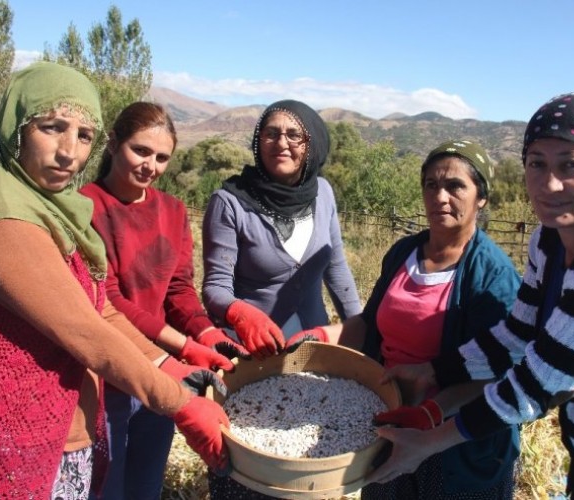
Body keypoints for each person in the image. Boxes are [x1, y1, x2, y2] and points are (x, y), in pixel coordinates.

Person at [0, 62, 230, 499]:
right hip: (1, 439)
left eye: (83, 135)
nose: (69, 152)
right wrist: (181, 403)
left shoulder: (56, 210)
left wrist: (172, 363)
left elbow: (98, 307)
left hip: (59, 427)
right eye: (52, 128)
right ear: (16, 126)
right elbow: (83, 330)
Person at [368, 93, 574, 499]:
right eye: (537, 163)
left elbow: (537, 384)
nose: (549, 183)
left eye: (571, 165)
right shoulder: (549, 241)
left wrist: (429, 440)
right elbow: (516, 334)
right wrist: (432, 372)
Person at [287, 140, 521, 498]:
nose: (440, 196)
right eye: (431, 185)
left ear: (481, 198)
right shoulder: (404, 253)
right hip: (391, 420)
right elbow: (368, 325)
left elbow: (496, 372)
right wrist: (320, 335)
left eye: (456, 186)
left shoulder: (492, 275)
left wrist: (431, 413)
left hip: (455, 440)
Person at [79, 101, 248, 500]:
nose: (150, 166)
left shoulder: (171, 210)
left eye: (161, 158)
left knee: (146, 481)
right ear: (113, 143)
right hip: (108, 372)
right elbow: (109, 300)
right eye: (140, 150)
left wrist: (207, 335)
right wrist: (184, 345)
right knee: (107, 484)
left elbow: (178, 289)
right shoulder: (86, 208)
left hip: (164, 371)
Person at [201, 99, 362, 498]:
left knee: (306, 454)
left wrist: (363, 329)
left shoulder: (323, 193)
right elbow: (215, 287)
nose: (281, 143)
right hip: (250, 353)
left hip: (312, 347)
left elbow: (336, 268)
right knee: (248, 460)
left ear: (313, 144)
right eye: (271, 133)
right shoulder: (231, 202)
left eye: (294, 135)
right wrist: (240, 314)